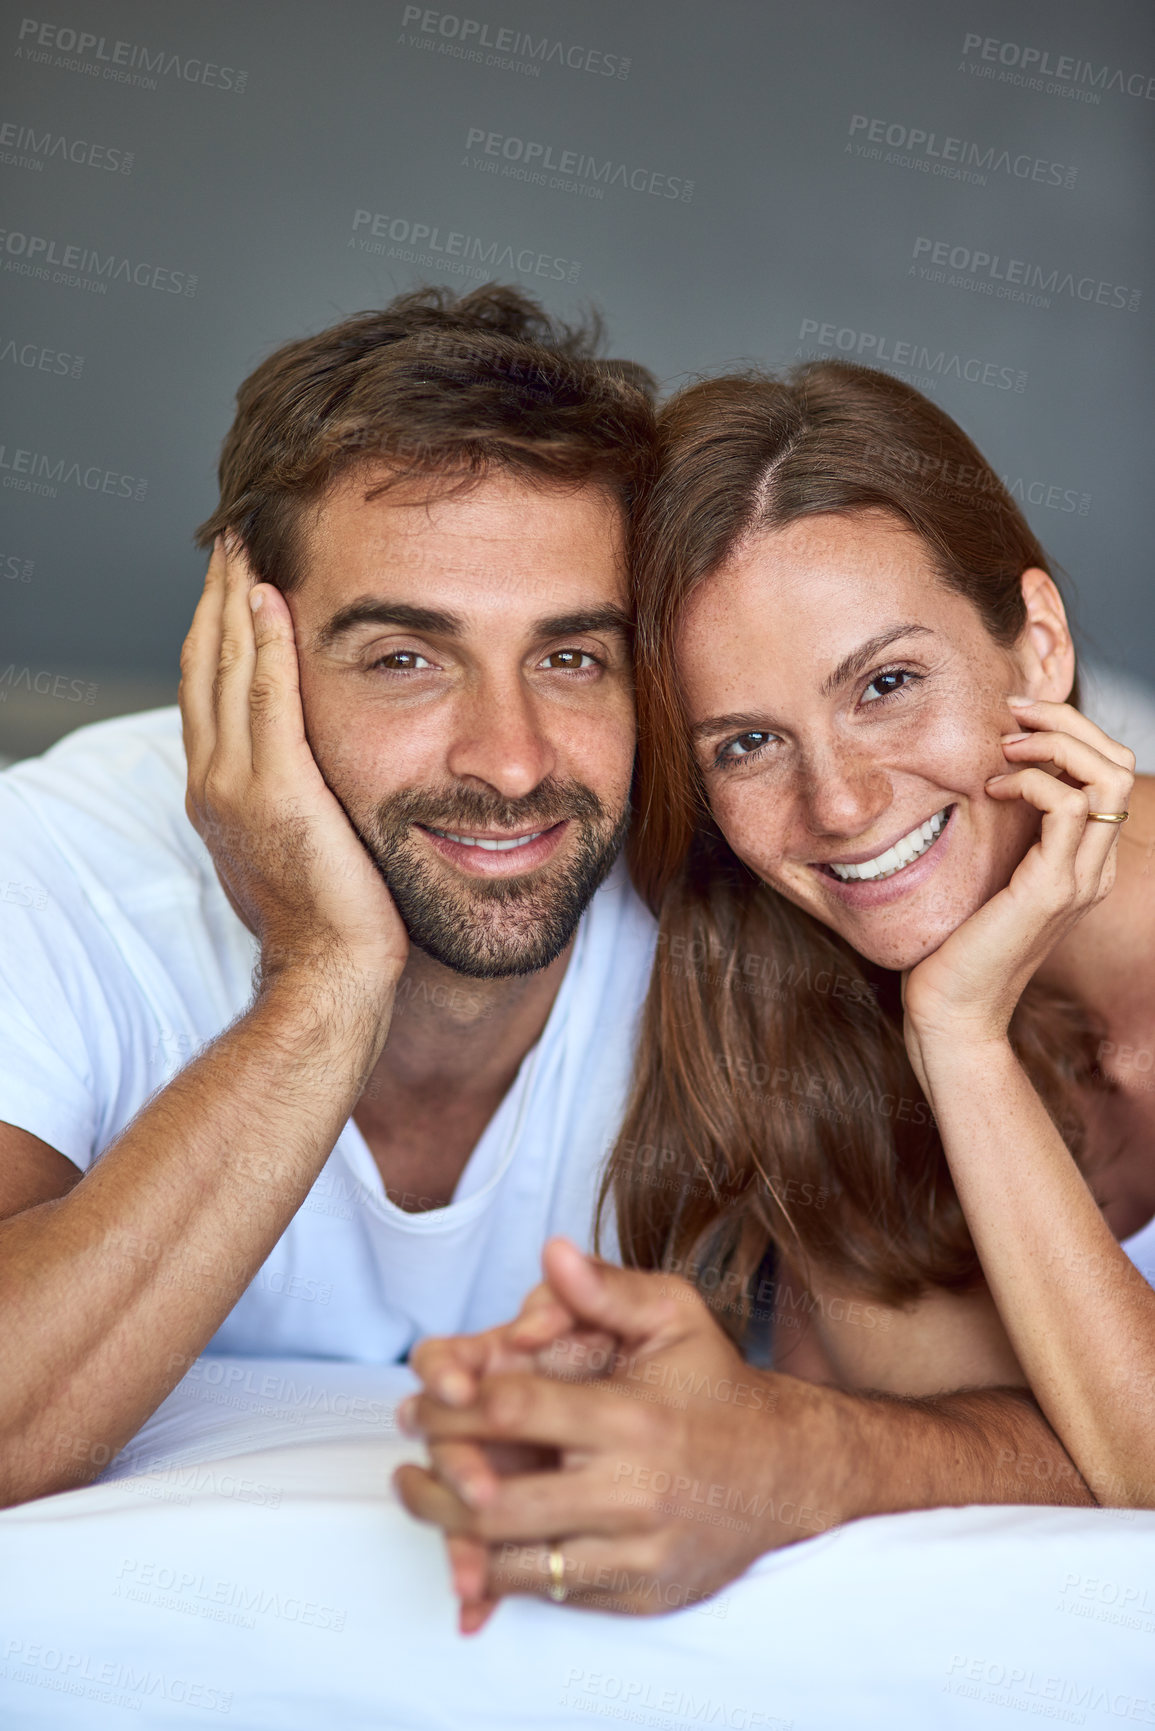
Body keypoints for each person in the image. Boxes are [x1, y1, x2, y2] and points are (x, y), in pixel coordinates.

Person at [398, 360, 1153, 1622]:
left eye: (888, 684)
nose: (841, 806)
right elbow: (965, 1424)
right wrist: (959, 1034)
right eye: (746, 744)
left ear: (1040, 646)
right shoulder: (787, 986)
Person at [0, 283, 659, 1505]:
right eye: (406, 660)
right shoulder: (51, 863)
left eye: (573, 658)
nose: (511, 761)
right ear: (244, 659)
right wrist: (326, 978)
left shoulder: (744, 889)